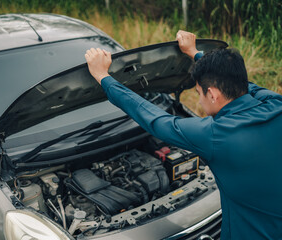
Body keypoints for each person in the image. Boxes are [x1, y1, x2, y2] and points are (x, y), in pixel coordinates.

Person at [84, 30, 282, 239]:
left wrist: (103, 77)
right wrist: (195, 53)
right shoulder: (275, 103)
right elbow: (245, 86)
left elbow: (157, 121)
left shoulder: (217, 136)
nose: (199, 100)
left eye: (198, 92)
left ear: (212, 94)